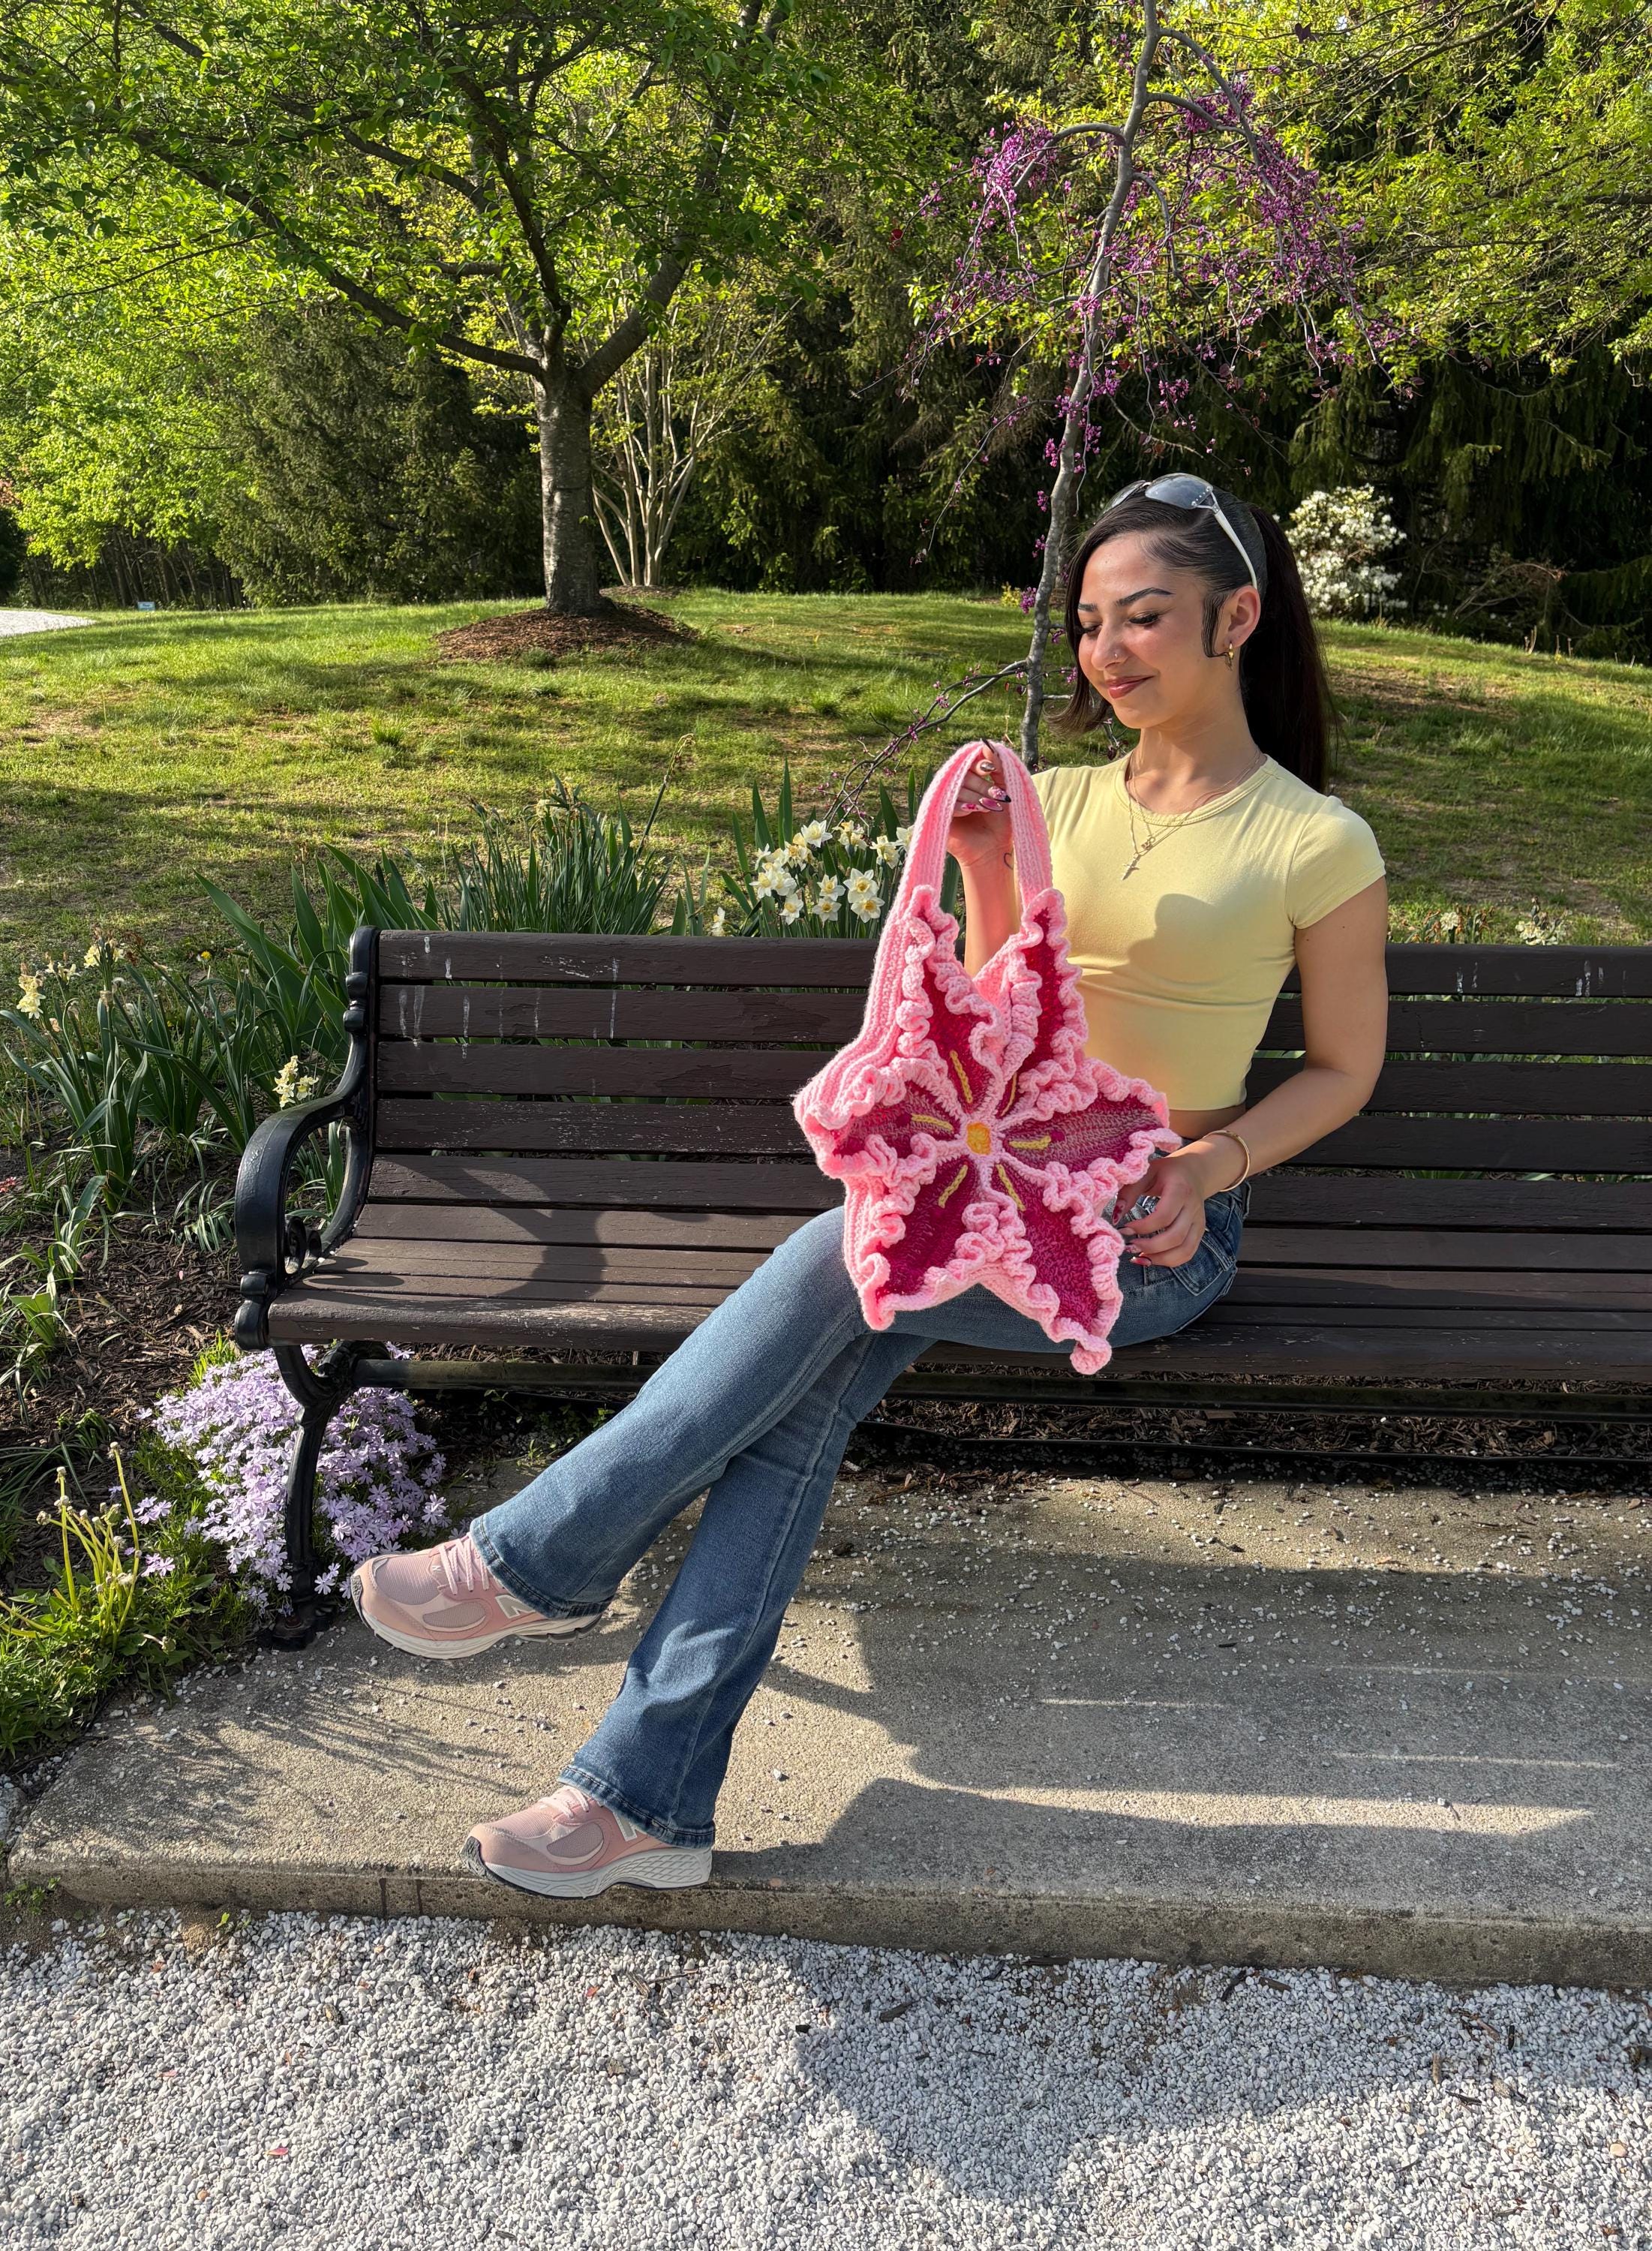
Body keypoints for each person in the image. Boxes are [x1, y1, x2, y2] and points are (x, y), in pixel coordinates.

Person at [350, 473, 1389, 1899]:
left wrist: (1209, 1169)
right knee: (806, 1393)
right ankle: (640, 1804)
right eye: (1088, 625)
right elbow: (1001, 1012)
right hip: (983, 1191)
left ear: (1238, 618)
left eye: (1143, 617)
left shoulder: (1312, 839)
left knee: (836, 1261)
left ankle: (534, 1570)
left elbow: (1342, 1068)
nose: (1107, 652)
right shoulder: (1056, 800)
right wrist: (985, 868)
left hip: (1141, 1235)